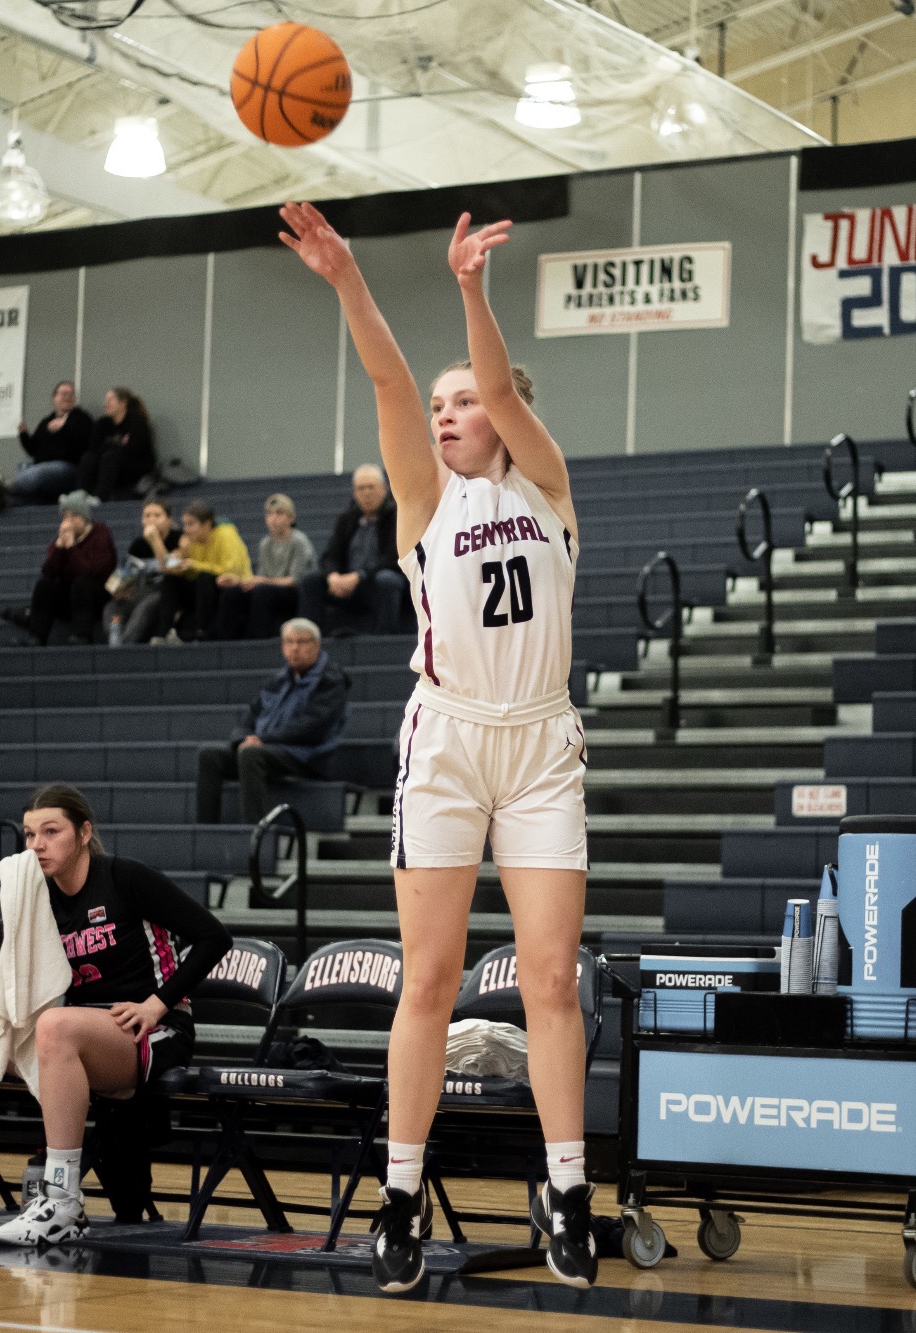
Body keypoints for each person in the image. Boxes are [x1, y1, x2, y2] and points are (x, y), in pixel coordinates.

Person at [282, 202, 595, 1291]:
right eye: (442, 403)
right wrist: (346, 278)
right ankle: (401, 1193)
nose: (449, 412)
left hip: (540, 743)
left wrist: (470, 288)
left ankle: (569, 1188)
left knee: (550, 978)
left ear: (504, 416)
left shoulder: (546, 487)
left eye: (464, 401)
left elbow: (501, 385)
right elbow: (385, 378)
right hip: (450, 741)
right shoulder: (424, 499)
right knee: (430, 979)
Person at [0, 784, 230, 1243]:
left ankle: (63, 1200)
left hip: (151, 1029)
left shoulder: (125, 877)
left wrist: (158, 1004)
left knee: (55, 1026)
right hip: (72, 1026)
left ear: (84, 833)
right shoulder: (35, 892)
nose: (37, 844)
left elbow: (215, 938)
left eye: (51, 832)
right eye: (30, 834)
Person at [195, 619, 350, 825]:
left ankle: (255, 830)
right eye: (289, 642)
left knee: (251, 754)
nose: (294, 648)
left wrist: (262, 740)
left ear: (316, 645)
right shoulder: (277, 680)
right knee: (209, 755)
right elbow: (248, 718)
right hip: (269, 749)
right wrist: (242, 739)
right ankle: (206, 829)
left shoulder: (330, 680)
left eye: (301, 642)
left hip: (305, 756)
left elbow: (313, 726)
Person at [298, 464, 406, 637]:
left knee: (387, 580)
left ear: (384, 489)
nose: (366, 493)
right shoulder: (347, 519)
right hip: (347, 585)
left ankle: (384, 640)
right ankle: (308, 638)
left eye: (371, 487)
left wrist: (359, 576)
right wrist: (333, 576)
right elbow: (330, 556)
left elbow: (394, 558)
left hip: (375, 583)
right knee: (311, 581)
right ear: (355, 493)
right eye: (361, 488)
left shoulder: (397, 517)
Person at [3, 495, 117, 646]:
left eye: (74, 516)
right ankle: (37, 637)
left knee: (82, 584)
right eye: (65, 517)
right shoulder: (63, 537)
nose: (69, 522)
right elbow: (48, 572)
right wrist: (58, 548)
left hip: (96, 599)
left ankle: (82, 635)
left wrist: (71, 548)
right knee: (45, 585)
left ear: (84, 517)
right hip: (70, 601)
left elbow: (92, 572)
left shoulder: (101, 534)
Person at [215, 494, 317, 641]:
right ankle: (225, 640)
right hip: (268, 589)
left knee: (262, 591)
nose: (273, 518)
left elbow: (295, 581)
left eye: (279, 513)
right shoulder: (265, 543)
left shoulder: (299, 541)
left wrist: (263, 581)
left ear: (291, 518)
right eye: (269, 514)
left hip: (294, 594)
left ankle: (256, 639)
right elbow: (261, 578)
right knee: (233, 593)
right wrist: (240, 582)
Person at [0, 381, 97, 513]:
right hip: (43, 467)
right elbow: (33, 449)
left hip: (67, 468)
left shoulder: (82, 418)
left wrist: (65, 427)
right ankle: (3, 498)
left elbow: (87, 444)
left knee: (37, 473)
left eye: (71, 394)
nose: (68, 397)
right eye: (64, 394)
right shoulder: (46, 421)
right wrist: (23, 435)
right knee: (25, 468)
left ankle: (5, 488)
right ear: (54, 398)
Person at [151, 501, 251, 643]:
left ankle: (201, 632)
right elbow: (168, 567)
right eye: (185, 524)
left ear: (207, 525)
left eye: (191, 524)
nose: (186, 529)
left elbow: (231, 572)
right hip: (202, 590)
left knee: (204, 578)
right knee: (170, 579)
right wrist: (157, 542)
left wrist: (194, 565)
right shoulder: (189, 541)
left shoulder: (226, 535)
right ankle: (163, 633)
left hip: (230, 587)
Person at [106, 498, 181, 645]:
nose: (151, 520)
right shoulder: (138, 545)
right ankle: (115, 643)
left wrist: (155, 540)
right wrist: (118, 589)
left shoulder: (178, 539)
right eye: (147, 516)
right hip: (141, 592)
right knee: (111, 608)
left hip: (166, 594)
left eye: (157, 515)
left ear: (168, 520)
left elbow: (172, 567)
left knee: (144, 607)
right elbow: (118, 581)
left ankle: (125, 646)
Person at [78, 387, 157, 502]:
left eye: (111, 400)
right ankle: (80, 495)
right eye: (106, 400)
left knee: (111, 457)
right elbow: (93, 449)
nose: (106, 403)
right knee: (88, 457)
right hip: (109, 466)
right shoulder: (102, 423)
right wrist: (118, 445)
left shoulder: (137, 422)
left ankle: (100, 498)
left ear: (123, 403)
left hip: (135, 467)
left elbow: (133, 451)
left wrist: (108, 446)